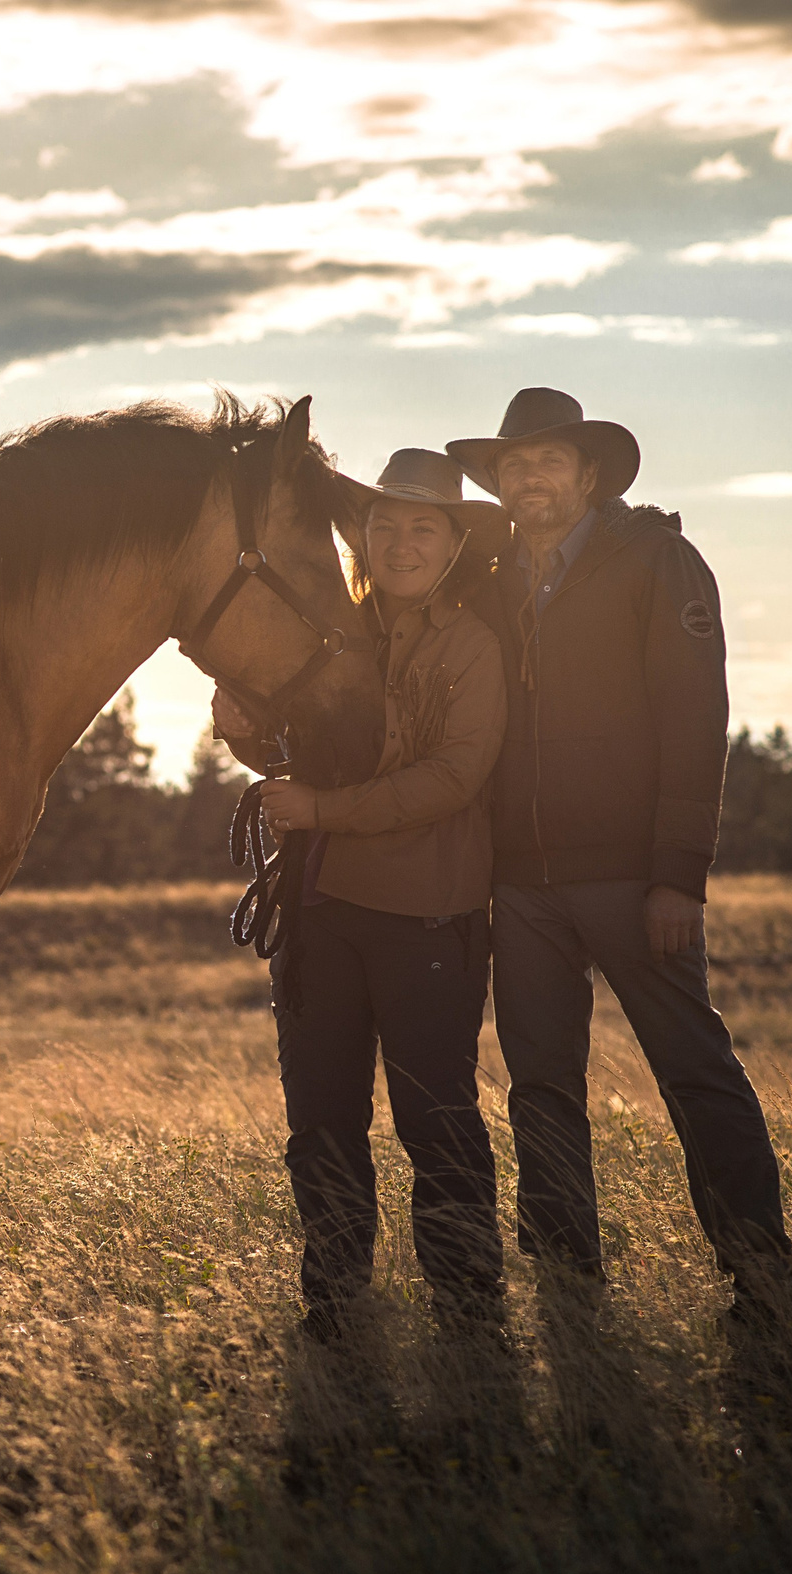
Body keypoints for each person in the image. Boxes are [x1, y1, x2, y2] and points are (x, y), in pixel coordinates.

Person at [445, 387, 792, 1319]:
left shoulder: (658, 561)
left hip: (634, 878)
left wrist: (680, 874)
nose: (530, 477)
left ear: (589, 474)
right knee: (542, 1086)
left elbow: (696, 720)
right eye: (514, 465)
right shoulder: (484, 579)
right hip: (520, 886)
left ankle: (761, 1269)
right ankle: (568, 1277)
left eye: (550, 461)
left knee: (694, 1068)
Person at [214, 448, 511, 1340]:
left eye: (423, 526)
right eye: (385, 524)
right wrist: (245, 735)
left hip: (427, 913)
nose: (401, 542)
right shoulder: (327, 630)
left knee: (436, 1119)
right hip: (322, 915)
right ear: (363, 536)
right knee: (322, 1120)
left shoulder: (472, 646)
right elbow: (288, 755)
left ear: (455, 544)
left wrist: (320, 808)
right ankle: (335, 1304)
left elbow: (454, 777)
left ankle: (468, 1311)